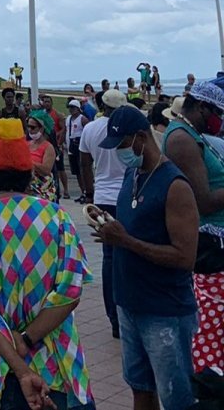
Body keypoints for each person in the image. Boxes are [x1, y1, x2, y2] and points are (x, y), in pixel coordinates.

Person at [0, 118, 93, 410]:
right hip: (59, 362)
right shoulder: (57, 217)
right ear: (29, 173)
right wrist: (28, 338)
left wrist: (20, 364)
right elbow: (70, 292)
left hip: (3, 369)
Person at [91, 105, 197, 410]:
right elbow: (132, 225)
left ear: (140, 138)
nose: (119, 153)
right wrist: (108, 224)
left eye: (123, 145)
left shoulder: (174, 186)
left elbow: (184, 256)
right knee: (140, 388)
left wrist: (126, 241)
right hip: (130, 303)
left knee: (177, 397)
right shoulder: (131, 174)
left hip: (164, 310)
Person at [158, 80, 224, 376]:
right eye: (217, 113)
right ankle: (209, 380)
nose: (219, 120)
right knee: (210, 321)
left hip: (214, 241)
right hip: (209, 244)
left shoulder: (192, 134)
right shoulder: (182, 139)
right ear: (201, 106)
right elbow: (204, 200)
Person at [80, 88, 128, 337]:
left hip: (102, 197)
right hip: (127, 197)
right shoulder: (128, 127)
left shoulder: (90, 129)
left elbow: (84, 163)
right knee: (129, 253)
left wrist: (88, 193)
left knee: (109, 258)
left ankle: (114, 319)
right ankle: (127, 313)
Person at [25, 110, 57, 201]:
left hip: (42, 190)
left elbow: (46, 170)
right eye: (28, 126)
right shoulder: (26, 144)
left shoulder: (48, 147)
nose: (29, 130)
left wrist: (28, 162)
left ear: (42, 129)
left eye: (33, 127)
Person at [66, 100, 87, 201]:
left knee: (83, 170)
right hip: (71, 148)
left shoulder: (82, 119)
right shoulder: (68, 119)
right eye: (70, 107)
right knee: (76, 172)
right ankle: (83, 191)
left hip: (80, 148)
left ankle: (87, 191)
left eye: (73, 107)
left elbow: (88, 131)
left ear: (78, 108)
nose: (71, 109)